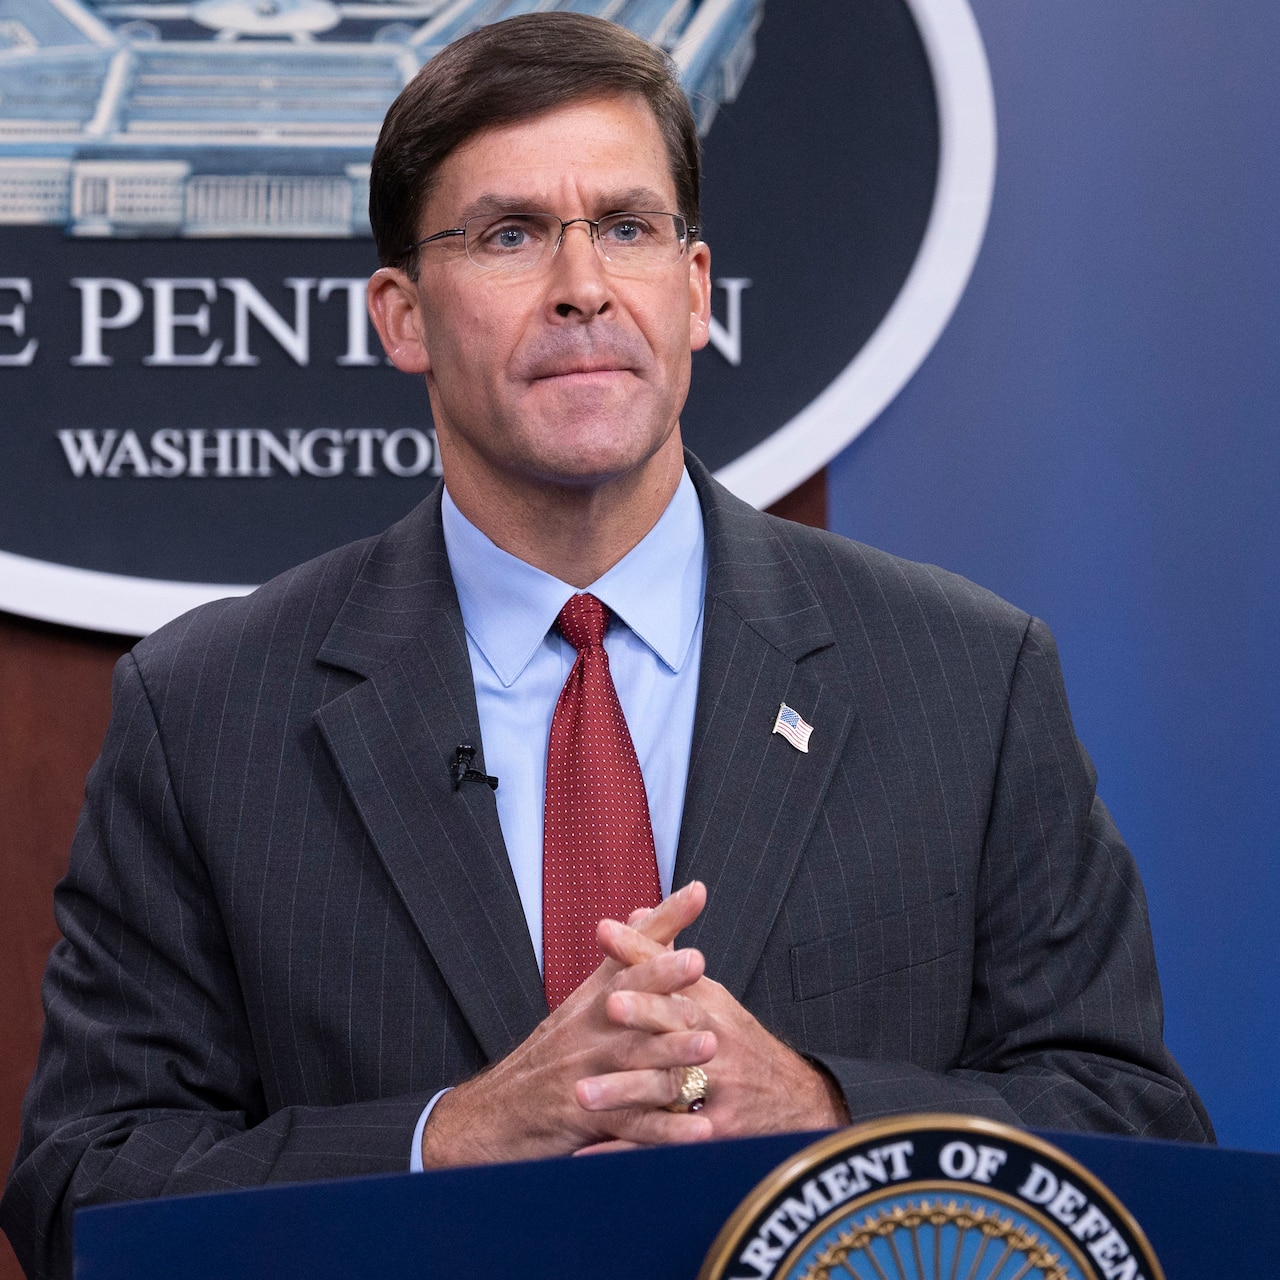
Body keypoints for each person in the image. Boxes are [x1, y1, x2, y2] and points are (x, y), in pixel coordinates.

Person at [2, 13, 1210, 1279]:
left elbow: (1139, 1133)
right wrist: (450, 1135)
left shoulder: (965, 677)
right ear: (402, 316)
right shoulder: (206, 714)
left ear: (692, 292)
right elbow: (84, 1190)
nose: (582, 285)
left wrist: (824, 1109)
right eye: (510, 234)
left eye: (628, 228)